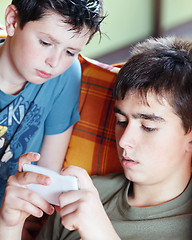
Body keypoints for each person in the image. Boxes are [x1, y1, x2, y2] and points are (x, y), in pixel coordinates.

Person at [1, 36, 192, 240]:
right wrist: (9, 226)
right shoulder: (83, 194)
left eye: (148, 127)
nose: (123, 141)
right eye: (121, 121)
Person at [0, 0, 104, 206]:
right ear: (12, 21)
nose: (54, 63)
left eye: (70, 52)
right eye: (45, 43)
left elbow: (47, 176)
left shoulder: (66, 75)